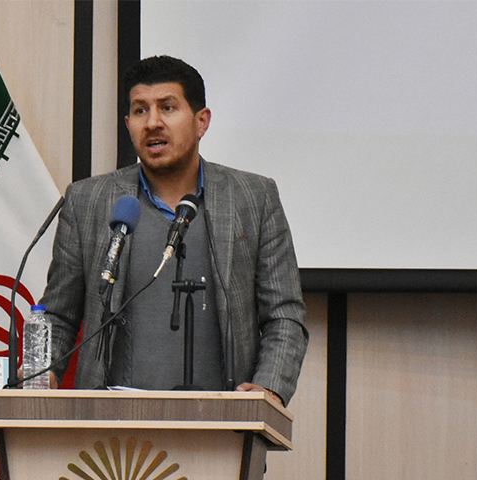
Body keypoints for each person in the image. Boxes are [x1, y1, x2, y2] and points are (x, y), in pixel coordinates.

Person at [40, 55, 308, 405]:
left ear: (201, 121)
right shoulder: (88, 201)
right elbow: (58, 315)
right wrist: (41, 373)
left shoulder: (253, 198)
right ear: (128, 123)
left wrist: (268, 388)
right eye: (140, 111)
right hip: (111, 422)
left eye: (167, 108)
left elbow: (284, 315)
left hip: (223, 422)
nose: (153, 123)